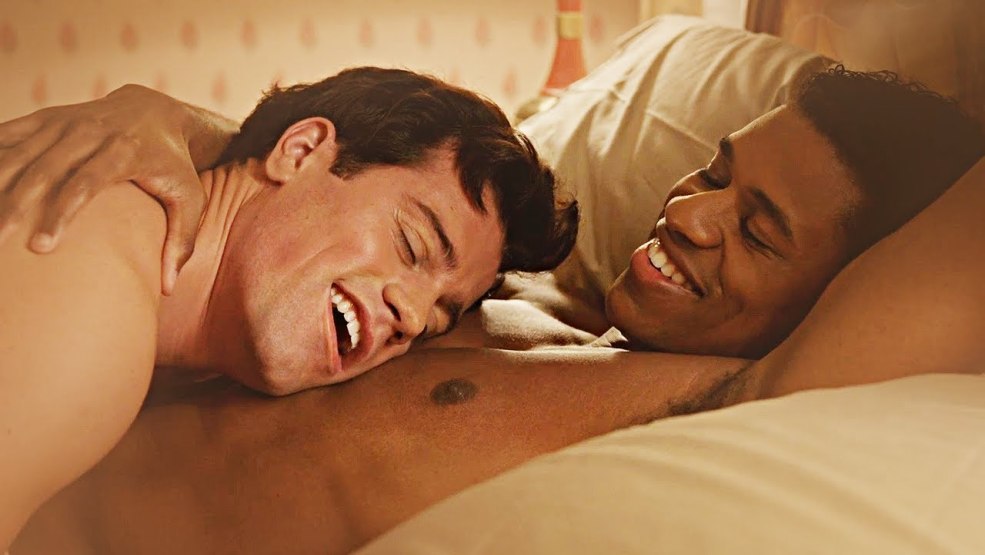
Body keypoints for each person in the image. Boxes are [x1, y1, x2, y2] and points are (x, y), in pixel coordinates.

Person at [5, 68, 983, 554]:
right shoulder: (504, 289)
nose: (689, 213)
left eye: (758, 232)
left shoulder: (732, 399)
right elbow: (317, 182)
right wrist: (159, 117)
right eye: (712, 172)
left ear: (851, 291)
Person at [0, 66, 578, 550]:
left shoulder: (161, 326)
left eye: (433, 320)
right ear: (299, 152)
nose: (410, 315)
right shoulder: (90, 296)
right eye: (412, 244)